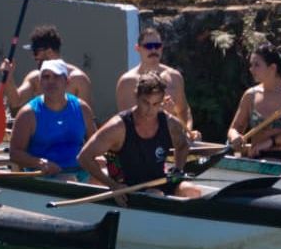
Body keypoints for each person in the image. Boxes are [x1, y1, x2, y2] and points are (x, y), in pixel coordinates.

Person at [78, 72, 203, 205]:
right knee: (155, 195)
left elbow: (182, 145)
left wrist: (178, 169)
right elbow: (84, 157)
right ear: (136, 96)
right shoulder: (118, 127)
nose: (150, 110)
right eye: (146, 102)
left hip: (159, 181)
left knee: (193, 191)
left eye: (156, 104)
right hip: (127, 187)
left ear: (162, 100)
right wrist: (112, 186)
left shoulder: (170, 123)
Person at [8, 59, 96, 180]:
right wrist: (39, 163)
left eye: (56, 76)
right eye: (46, 77)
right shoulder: (27, 114)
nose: (51, 81)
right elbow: (15, 153)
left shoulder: (82, 109)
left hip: (80, 172)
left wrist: (98, 158)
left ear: (67, 81)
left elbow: (95, 144)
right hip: (44, 176)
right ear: (40, 82)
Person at [226, 44, 281, 163]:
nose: (251, 69)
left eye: (256, 65)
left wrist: (271, 142)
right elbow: (234, 128)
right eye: (251, 65)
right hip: (257, 157)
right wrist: (234, 136)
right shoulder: (250, 95)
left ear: (272, 68)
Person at [115, 27, 196, 139]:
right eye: (148, 46)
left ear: (161, 48)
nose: (153, 50)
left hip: (173, 142)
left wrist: (188, 133)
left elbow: (184, 111)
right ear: (138, 48)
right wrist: (162, 114)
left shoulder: (175, 77)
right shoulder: (127, 82)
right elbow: (128, 124)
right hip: (141, 145)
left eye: (157, 46)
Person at [1, 25, 93, 109]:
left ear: (49, 52)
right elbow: (16, 101)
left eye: (36, 52)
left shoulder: (78, 80)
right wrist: (8, 77)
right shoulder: (35, 78)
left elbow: (86, 116)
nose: (34, 57)